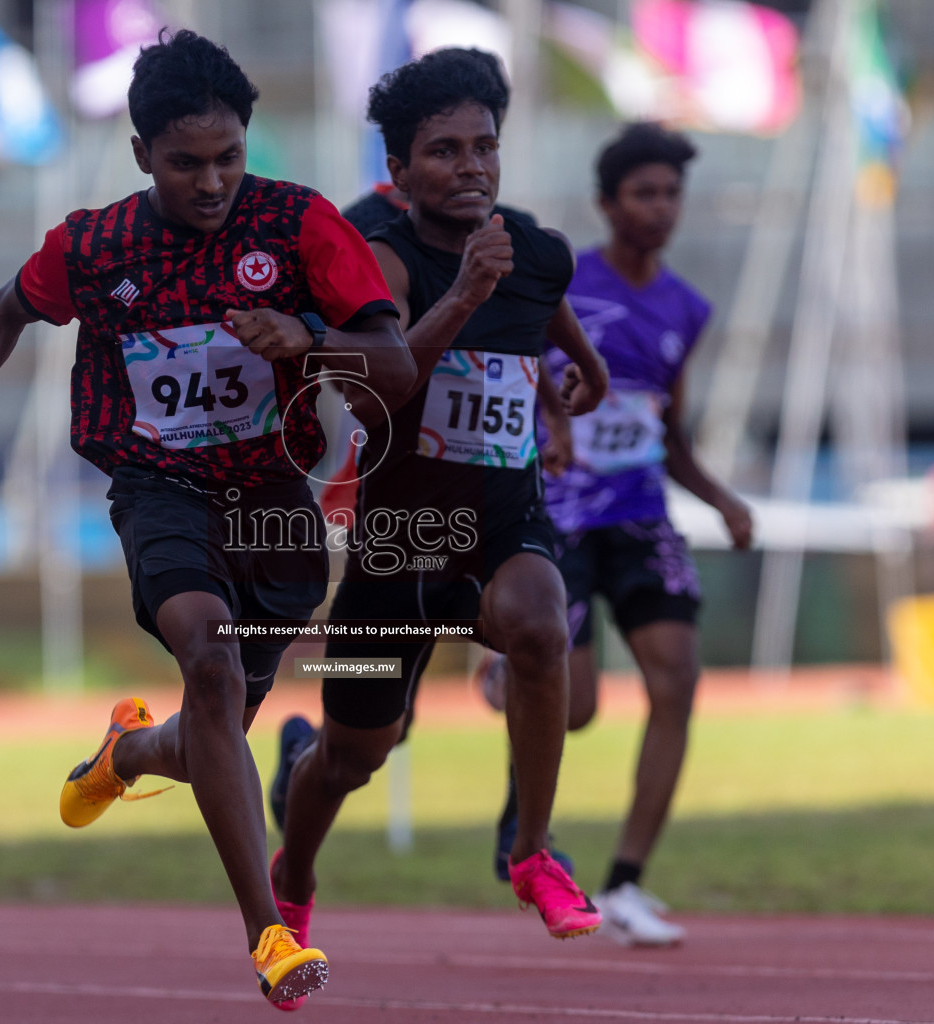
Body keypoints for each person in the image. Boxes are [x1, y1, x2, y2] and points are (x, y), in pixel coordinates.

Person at [0, 29, 413, 1009]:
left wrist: (309, 337)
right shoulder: (96, 246)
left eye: (228, 157)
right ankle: (267, 932)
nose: (212, 180)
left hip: (274, 507)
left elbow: (395, 366)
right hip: (159, 492)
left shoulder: (297, 226)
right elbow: (6, 311)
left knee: (208, 725)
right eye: (186, 162)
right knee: (209, 661)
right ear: (141, 154)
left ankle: (129, 750)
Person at [268, 48, 612, 962]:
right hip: (402, 540)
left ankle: (532, 852)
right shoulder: (382, 265)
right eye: (445, 150)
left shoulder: (532, 252)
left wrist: (578, 378)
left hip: (502, 522)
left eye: (484, 147)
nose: (470, 166)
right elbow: (382, 388)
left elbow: (549, 321)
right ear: (399, 172)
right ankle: (292, 876)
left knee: (542, 629)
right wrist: (465, 292)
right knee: (351, 760)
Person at [479, 121, 754, 947]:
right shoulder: (567, 283)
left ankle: (628, 881)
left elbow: (669, 435)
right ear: (608, 203)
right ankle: (516, 790)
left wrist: (721, 497)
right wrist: (544, 420)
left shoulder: (686, 309)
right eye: (644, 192)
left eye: (672, 193)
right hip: (557, 511)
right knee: (580, 705)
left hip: (639, 515)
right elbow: (507, 371)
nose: (661, 208)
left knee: (677, 677)